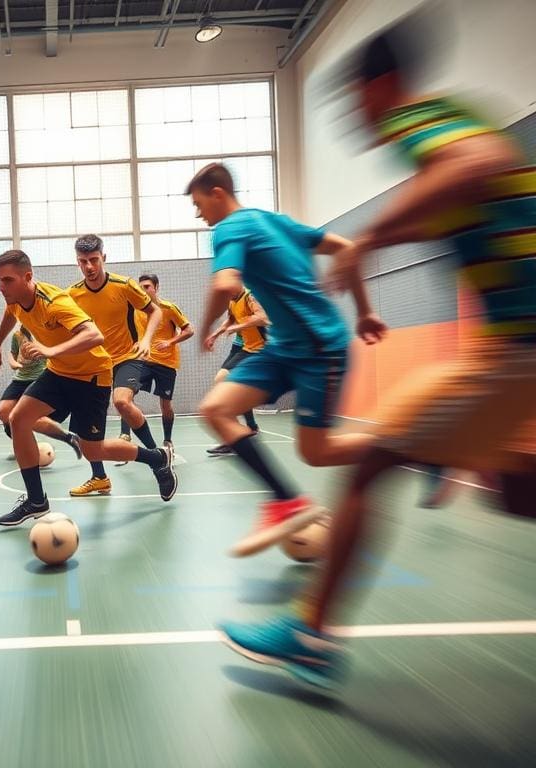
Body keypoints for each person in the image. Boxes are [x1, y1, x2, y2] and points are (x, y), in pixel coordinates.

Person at [220, 24, 536, 688]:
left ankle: (311, 636)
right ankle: (435, 457)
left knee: (373, 464)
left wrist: (371, 235)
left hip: (519, 344)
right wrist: (386, 241)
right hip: (512, 343)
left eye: (353, 100)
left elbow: (474, 165)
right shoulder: (456, 118)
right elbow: (472, 190)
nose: (352, 117)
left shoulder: (425, 121)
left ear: (380, 88)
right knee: (517, 492)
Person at [190, 162, 387, 557]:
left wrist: (206, 323)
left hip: (320, 349)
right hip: (283, 348)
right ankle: (287, 501)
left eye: (199, 204)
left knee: (316, 453)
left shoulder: (229, 228)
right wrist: (365, 311)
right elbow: (346, 249)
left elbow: (226, 283)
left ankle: (407, 445)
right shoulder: (277, 221)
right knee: (214, 409)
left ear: (217, 193)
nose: (199, 214)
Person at [0, 250, 177, 527]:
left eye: (7, 280)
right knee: (18, 418)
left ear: (27, 277)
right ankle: (36, 500)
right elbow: (10, 314)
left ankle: (157, 458)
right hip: (59, 373)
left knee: (94, 451)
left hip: (91, 377)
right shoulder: (15, 299)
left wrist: (50, 349)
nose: (1, 288)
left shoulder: (55, 302)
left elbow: (94, 335)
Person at [66, 235, 163, 496]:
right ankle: (99, 478)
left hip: (125, 357)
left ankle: (158, 459)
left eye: (94, 260)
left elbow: (156, 311)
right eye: (83, 261)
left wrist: (145, 339)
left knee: (122, 402)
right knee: (84, 429)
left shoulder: (124, 285)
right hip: (93, 364)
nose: (89, 266)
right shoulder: (72, 294)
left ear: (103, 258)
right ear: (77, 262)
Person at [117, 273, 194, 459]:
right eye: (141, 287)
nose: (143, 290)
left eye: (147, 287)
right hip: (142, 360)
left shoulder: (168, 308)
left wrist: (170, 341)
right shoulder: (134, 309)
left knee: (165, 405)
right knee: (125, 394)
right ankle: (125, 435)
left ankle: (167, 440)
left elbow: (189, 330)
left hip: (166, 363)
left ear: (156, 287)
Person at [0, 325, 83, 461]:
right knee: (4, 412)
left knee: (32, 419)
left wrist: (42, 351)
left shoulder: (42, 333)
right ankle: (28, 444)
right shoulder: (18, 336)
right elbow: (12, 355)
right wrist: (15, 364)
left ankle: (68, 437)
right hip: (20, 379)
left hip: (40, 378)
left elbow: (54, 352)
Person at [205, 286, 270, 456]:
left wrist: (238, 326)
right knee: (225, 383)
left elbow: (263, 318)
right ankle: (248, 430)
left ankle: (236, 437)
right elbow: (230, 320)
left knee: (225, 383)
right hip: (247, 349)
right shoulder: (233, 300)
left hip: (260, 351)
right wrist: (215, 334)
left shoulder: (250, 296)